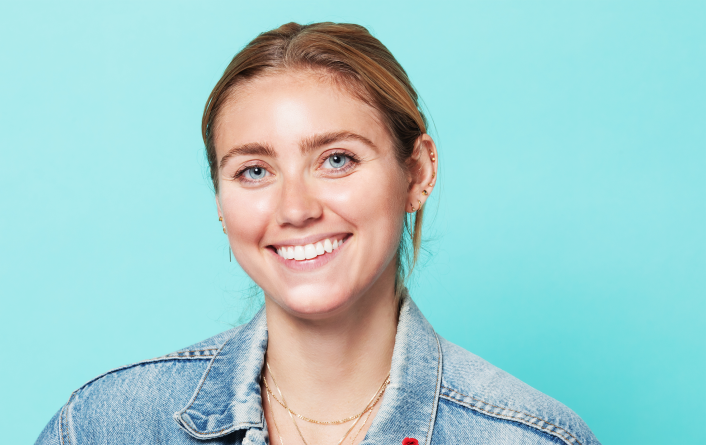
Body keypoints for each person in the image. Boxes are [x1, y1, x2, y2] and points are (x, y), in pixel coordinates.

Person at [35, 22, 600, 445]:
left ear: (418, 172)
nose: (296, 209)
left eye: (336, 160)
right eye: (254, 171)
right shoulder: (105, 426)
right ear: (220, 202)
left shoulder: (531, 438)